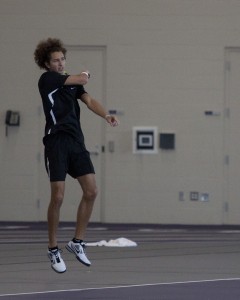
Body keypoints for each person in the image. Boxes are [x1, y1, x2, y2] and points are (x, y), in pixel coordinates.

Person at [34, 38, 119, 273]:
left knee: (91, 191)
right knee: (58, 197)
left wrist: (106, 115)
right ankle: (53, 248)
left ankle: (77, 242)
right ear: (47, 64)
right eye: (56, 61)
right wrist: (85, 73)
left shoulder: (72, 84)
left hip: (76, 142)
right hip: (56, 141)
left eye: (62, 59)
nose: (60, 64)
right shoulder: (48, 80)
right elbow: (82, 78)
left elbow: (89, 100)